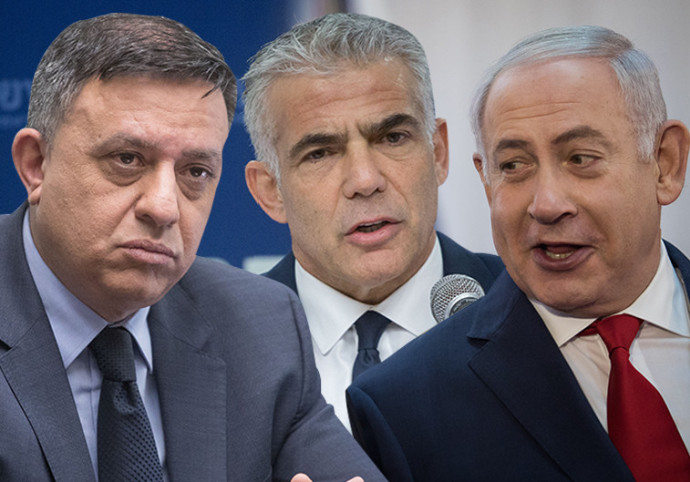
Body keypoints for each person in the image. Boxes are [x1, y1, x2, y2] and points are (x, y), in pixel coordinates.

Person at [1, 13, 384, 481]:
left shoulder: (260, 328)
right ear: (36, 164)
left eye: (195, 172)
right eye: (127, 159)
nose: (165, 208)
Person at [346, 25, 690, 481]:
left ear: (665, 163)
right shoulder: (402, 407)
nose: (546, 204)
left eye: (580, 158)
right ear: (487, 181)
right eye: (513, 166)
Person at [243, 12, 503, 428]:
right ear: (270, 190)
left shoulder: (531, 311)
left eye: (392, 138)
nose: (365, 181)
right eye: (320, 153)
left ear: (438, 153)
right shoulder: (222, 344)